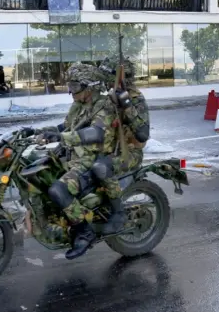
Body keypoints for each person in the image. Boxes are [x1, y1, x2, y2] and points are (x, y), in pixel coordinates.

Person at [39, 62, 119, 260]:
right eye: (70, 86)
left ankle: (84, 230)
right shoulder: (79, 106)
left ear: (90, 86)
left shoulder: (104, 105)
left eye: (75, 86)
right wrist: (40, 131)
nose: (70, 91)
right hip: (73, 156)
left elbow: (96, 133)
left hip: (92, 159)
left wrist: (63, 138)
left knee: (58, 190)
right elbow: (65, 126)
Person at [91, 56, 151, 234]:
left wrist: (126, 103)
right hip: (111, 150)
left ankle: (118, 214)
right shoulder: (109, 97)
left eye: (107, 76)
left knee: (100, 167)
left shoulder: (135, 99)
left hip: (130, 154)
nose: (104, 80)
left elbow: (142, 134)